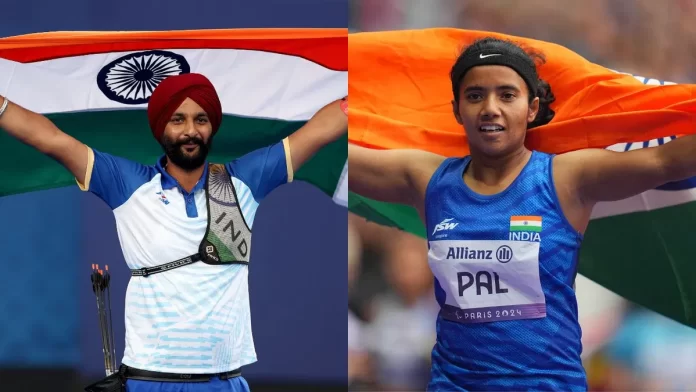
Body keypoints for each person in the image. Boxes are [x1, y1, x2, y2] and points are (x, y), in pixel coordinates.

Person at [348, 36, 696, 391]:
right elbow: (339, 154)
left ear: (531, 108)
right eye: (475, 95)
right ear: (456, 110)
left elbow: (664, 161)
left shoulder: (565, 179)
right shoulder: (427, 180)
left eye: (507, 95)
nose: (490, 108)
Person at [0, 73, 347, 392]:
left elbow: (317, 131)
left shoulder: (243, 182)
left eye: (201, 119)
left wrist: (368, 85)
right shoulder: (126, 183)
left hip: (224, 383)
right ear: (161, 127)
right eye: (178, 119)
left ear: (212, 127)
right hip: (149, 381)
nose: (190, 131)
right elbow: (51, 140)